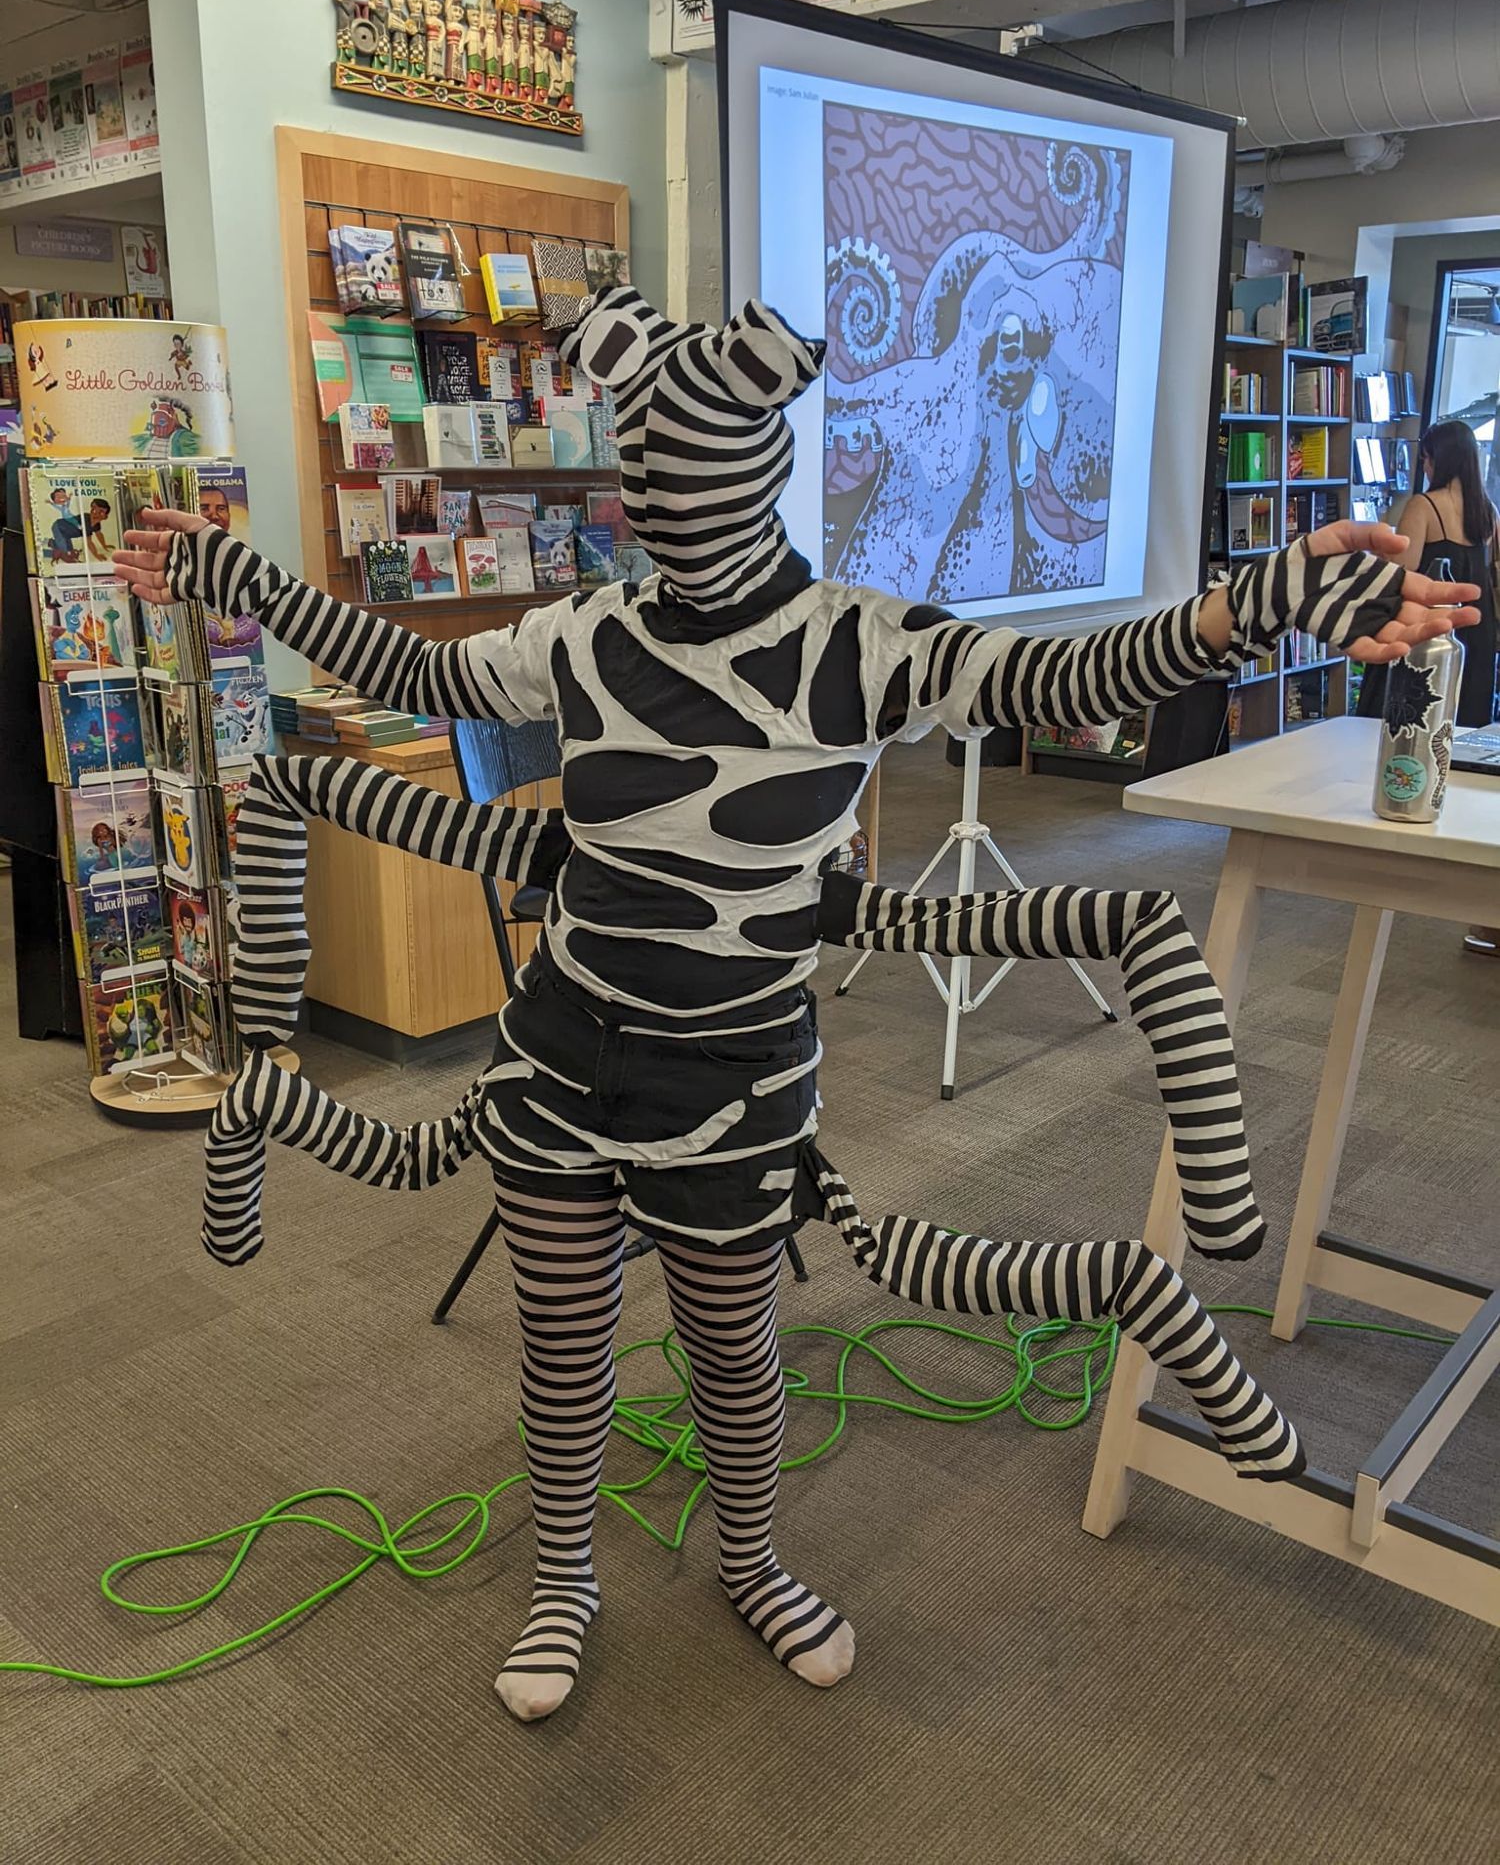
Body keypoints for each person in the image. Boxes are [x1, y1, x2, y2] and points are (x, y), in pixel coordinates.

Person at [116, 290, 1473, 1724]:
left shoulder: (860, 645)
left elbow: (1065, 677)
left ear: (755, 469)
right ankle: (563, 1575)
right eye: (644, 478)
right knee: (565, 1342)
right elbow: (407, 665)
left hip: (740, 1083)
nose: (662, 515)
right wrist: (237, 573)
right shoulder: (580, 636)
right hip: (562, 1058)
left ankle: (752, 1560)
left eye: (684, 479)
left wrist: (1255, 600)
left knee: (732, 1345)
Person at [1357, 419, 1498, 730]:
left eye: (1426, 459)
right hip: (1477, 625)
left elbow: (1402, 570)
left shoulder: (1423, 506)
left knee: (1410, 717)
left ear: (1438, 459)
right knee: (1461, 719)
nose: (1425, 467)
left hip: (1430, 624)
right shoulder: (1487, 510)